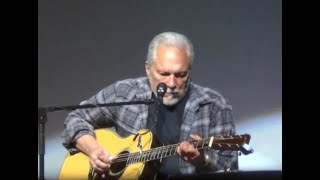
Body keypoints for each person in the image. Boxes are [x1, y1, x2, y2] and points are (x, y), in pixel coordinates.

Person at [62, 31, 238, 179]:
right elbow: (75, 118)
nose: (171, 83)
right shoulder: (125, 92)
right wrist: (93, 150)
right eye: (164, 73)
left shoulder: (215, 106)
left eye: (180, 75)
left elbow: (229, 170)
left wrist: (202, 160)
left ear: (189, 71)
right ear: (148, 68)